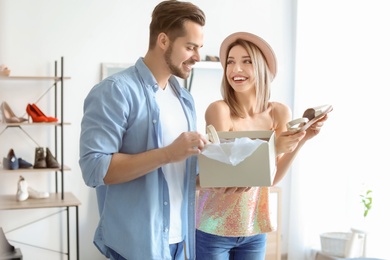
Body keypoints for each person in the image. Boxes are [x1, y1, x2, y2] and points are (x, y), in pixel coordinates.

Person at [79, 1, 208, 259]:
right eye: (190, 47)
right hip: (135, 248)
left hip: (180, 244)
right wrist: (168, 153)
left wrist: (218, 176)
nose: (197, 57)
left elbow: (179, 176)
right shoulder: (115, 90)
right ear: (163, 40)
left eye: (199, 48)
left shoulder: (185, 100)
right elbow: (94, 169)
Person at [195, 32, 329, 259]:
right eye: (230, 62)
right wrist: (274, 148)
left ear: (262, 67)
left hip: (254, 228)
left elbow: (271, 178)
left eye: (246, 61)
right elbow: (226, 174)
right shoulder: (219, 110)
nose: (236, 69)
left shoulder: (279, 112)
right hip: (213, 228)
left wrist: (301, 140)